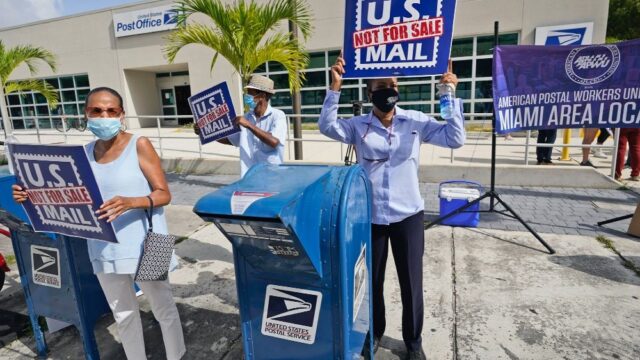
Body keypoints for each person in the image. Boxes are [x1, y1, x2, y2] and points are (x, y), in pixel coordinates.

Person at [13, 87, 186, 360]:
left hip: (151, 243)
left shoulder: (139, 144)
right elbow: (67, 198)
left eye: (111, 110)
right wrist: (29, 197)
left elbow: (164, 193)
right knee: (124, 314)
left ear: (121, 115)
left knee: (163, 308)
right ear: (86, 114)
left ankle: (177, 356)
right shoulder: (81, 155)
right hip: (104, 246)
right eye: (96, 110)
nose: (104, 116)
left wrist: (131, 202)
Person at [318, 55, 465, 360]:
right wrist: (335, 88)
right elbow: (326, 126)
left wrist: (447, 95)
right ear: (370, 92)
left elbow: (455, 138)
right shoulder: (358, 126)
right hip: (370, 219)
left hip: (408, 216)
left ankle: (413, 341)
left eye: (393, 85)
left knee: (412, 283)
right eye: (382, 86)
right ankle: (374, 331)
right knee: (372, 282)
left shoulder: (415, 122)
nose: (389, 91)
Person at [194, 75, 287, 176]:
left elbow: (274, 142)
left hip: (271, 175)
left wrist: (248, 125)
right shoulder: (246, 117)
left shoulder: (278, 115)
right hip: (250, 175)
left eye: (250, 93)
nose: (247, 96)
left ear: (262, 96)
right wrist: (206, 132)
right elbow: (230, 140)